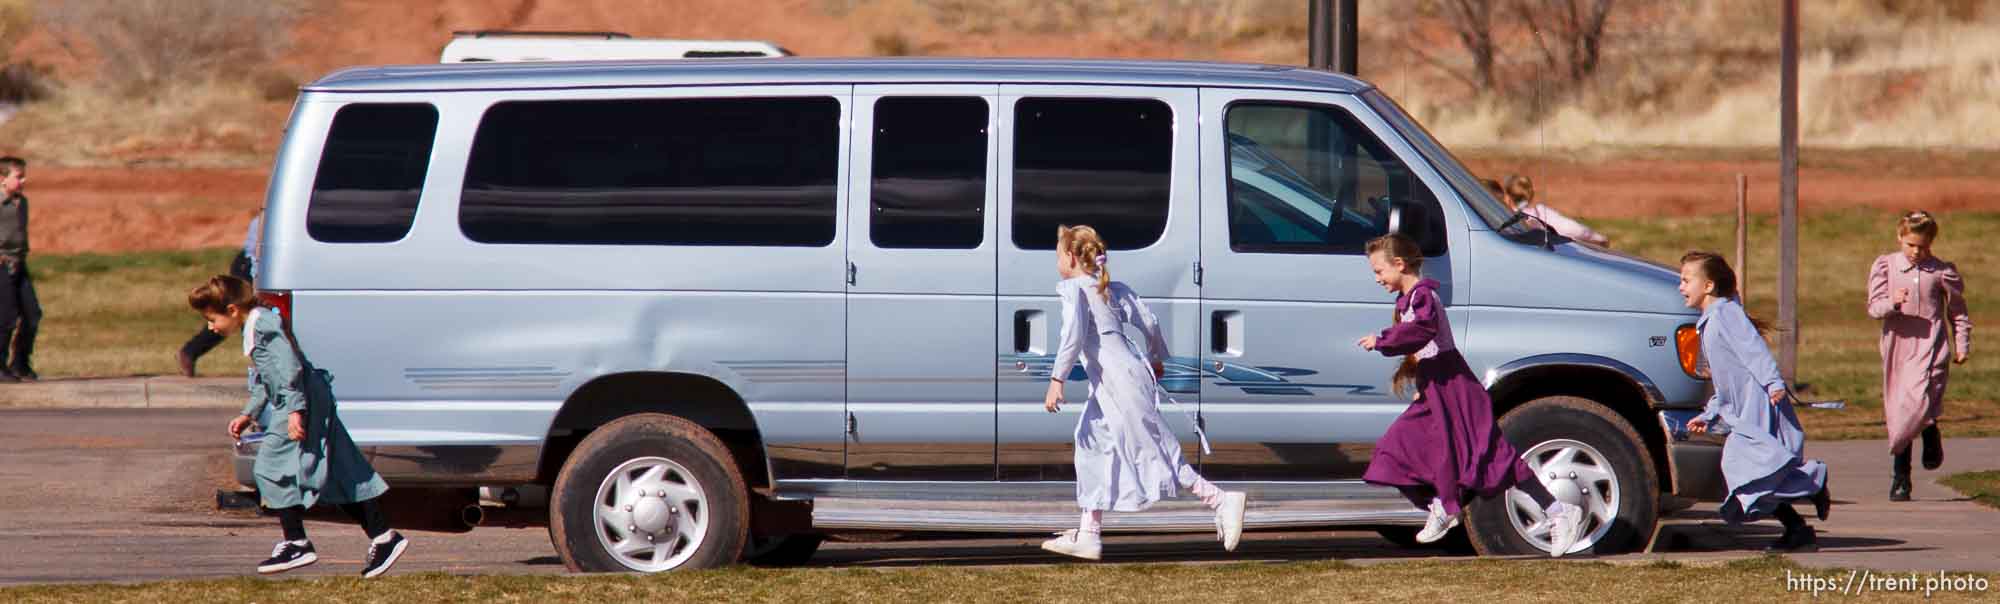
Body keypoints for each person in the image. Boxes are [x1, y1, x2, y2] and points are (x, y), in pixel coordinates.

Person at [1357, 234, 1586, 558]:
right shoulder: (1407, 300)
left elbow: (1420, 332)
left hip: (1456, 388)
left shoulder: (1423, 298)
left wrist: (1381, 340)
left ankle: (1559, 512)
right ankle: (1444, 505)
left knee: (1493, 456)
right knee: (1395, 449)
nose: (1377, 279)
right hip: (1434, 389)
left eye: (1379, 271)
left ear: (1400, 264)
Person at [1039, 225, 1247, 561]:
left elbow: (1073, 336)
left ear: (1071, 257)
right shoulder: (1110, 288)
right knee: (1093, 444)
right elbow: (1149, 322)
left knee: (1156, 450)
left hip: (1120, 382)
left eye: (1058, 254)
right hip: (1121, 378)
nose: (1057, 262)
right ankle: (1089, 532)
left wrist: (1056, 379)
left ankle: (1222, 500)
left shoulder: (1076, 289)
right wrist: (1154, 357)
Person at [190, 275, 410, 577]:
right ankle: (384, 537)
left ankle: (296, 542)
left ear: (231, 310)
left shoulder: (262, 324)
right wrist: (249, 413)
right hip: (307, 397)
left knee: (269, 467)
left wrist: (295, 412)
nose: (210, 328)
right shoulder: (254, 324)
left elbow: (290, 367)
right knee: (338, 471)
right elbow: (268, 379)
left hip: (301, 400)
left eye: (210, 319)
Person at [1680, 251, 1831, 552]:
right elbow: (1722, 381)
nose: (1680, 287)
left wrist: (1773, 381)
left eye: (1686, 280)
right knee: (1757, 470)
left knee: (1747, 468)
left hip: (1757, 403)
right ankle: (1800, 520)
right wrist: (1709, 414)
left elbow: (1754, 350)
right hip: (1740, 409)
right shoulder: (1709, 321)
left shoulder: (1725, 313)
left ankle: (1809, 489)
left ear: (1708, 286)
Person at [1866, 210, 1970, 501]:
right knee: (1901, 412)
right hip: (1898, 348)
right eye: (1910, 244)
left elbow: (1958, 312)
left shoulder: (1941, 271)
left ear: (1931, 243)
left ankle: (1925, 438)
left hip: (1932, 347)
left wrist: (1962, 342)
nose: (1916, 251)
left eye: (1922, 246)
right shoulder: (1886, 266)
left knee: (1916, 403)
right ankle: (1905, 471)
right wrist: (1892, 303)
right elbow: (1873, 308)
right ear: (1900, 237)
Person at [179, 210, 262, 377]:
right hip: (250, 266)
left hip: (254, 266)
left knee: (234, 318)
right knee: (231, 317)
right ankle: (190, 351)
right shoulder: (271, 214)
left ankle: (190, 351)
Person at [0, 156, 39, 382]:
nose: (24, 180)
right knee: (6, 317)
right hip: (2, 265)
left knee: (32, 314)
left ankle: (20, 362)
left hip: (19, 264)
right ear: (3, 179)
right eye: (19, 176)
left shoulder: (22, 202)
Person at [1503, 174, 1610, 247]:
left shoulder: (1500, 214)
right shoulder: (1540, 212)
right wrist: (1598, 238)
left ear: (1507, 197)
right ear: (1531, 194)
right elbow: (1573, 228)